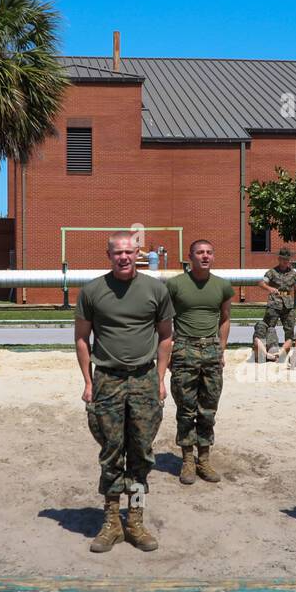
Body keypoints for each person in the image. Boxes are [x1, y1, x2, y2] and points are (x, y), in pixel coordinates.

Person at [76, 232, 174, 552]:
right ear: (108, 255)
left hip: (145, 380)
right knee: (111, 452)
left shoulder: (156, 290)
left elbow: (165, 337)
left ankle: (134, 519)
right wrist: (89, 382)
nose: (124, 258)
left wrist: (160, 379)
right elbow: (81, 338)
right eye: (117, 253)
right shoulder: (92, 291)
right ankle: (111, 522)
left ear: (138, 254)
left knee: (141, 453)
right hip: (107, 380)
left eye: (129, 252)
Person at [165, 238, 233, 484]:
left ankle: (204, 458)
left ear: (213, 256)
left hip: (211, 350)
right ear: (190, 257)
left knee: (208, 409)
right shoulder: (175, 285)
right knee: (186, 409)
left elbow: (225, 319)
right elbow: (163, 321)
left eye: (209, 252)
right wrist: (169, 351)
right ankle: (187, 460)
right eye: (200, 253)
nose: (205, 256)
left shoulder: (223, 286)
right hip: (184, 348)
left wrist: (221, 350)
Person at [258, 247, 296, 353]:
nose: (285, 261)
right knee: (269, 327)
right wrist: (270, 289)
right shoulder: (272, 272)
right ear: (279, 259)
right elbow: (261, 283)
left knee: (289, 329)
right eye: (283, 259)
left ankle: (286, 351)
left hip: (288, 305)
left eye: (287, 259)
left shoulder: (294, 274)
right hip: (274, 303)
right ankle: (269, 349)